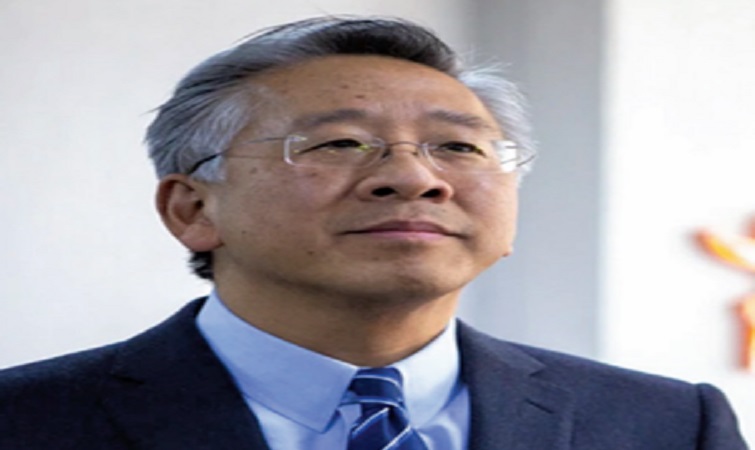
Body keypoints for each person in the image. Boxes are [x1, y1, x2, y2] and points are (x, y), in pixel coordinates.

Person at [0, 16, 748, 450]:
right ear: (192, 209)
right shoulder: (27, 421)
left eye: (457, 147)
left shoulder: (664, 425)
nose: (415, 177)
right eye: (340, 143)